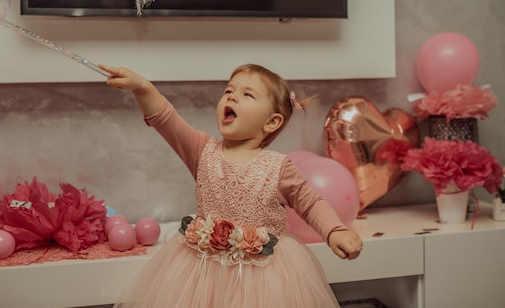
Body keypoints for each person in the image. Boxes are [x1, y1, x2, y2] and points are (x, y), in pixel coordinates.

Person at [99, 63, 363, 308]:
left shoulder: (279, 167)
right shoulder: (202, 150)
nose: (232, 97)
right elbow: (168, 121)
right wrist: (143, 87)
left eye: (248, 95)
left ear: (271, 121)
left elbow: (310, 203)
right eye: (228, 90)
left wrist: (334, 230)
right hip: (202, 271)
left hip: (262, 278)